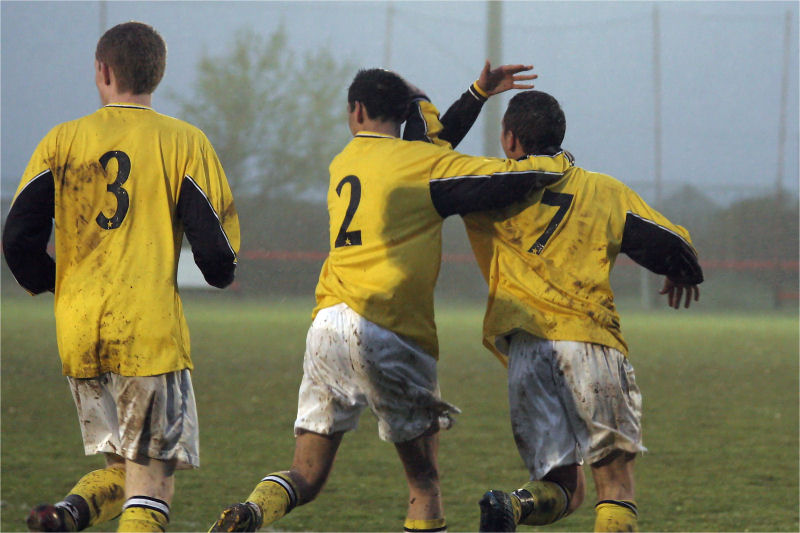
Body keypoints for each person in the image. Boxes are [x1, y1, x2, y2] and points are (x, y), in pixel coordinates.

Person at [208, 64, 572, 533]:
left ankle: (252, 512)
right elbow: (500, 179)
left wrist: (476, 93)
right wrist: (553, 164)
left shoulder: (344, 161)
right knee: (424, 484)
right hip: (389, 328)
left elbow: (429, 146)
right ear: (405, 113)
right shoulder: (422, 166)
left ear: (355, 110)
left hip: (327, 324)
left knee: (306, 473)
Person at [416, 87, 703, 531]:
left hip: (526, 351)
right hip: (590, 340)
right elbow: (669, 241)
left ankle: (510, 507)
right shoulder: (602, 190)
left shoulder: (487, 186)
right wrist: (681, 269)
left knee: (565, 487)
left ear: (510, 140)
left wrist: (474, 95)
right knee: (615, 483)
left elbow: (425, 158)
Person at [2, 21, 240, 532]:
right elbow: (217, 256)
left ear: (102, 71)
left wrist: (55, 283)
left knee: (122, 467)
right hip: (148, 334)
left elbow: (17, 238)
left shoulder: (61, 141)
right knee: (153, 478)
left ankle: (66, 516)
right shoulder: (183, 141)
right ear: (157, 74)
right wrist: (220, 273)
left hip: (79, 331)